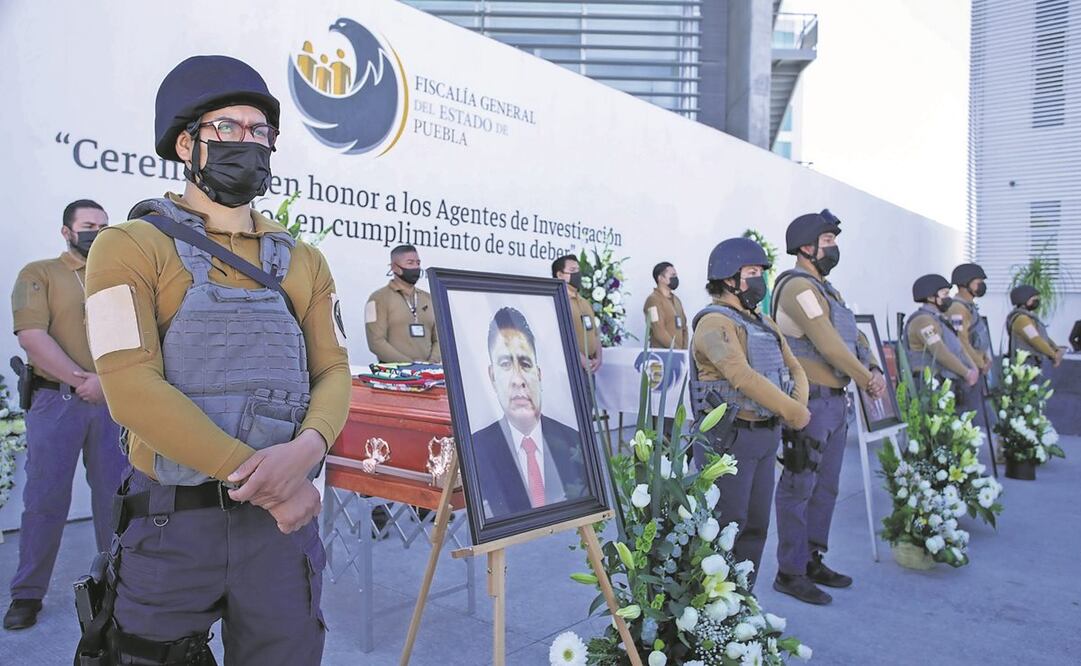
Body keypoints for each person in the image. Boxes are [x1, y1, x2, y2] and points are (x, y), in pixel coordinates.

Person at [80, 55, 351, 664]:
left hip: (279, 536)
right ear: (187, 143)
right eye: (229, 129)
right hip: (174, 523)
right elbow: (130, 387)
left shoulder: (303, 260)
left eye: (262, 133)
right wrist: (269, 483)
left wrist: (308, 451)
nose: (248, 143)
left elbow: (332, 371)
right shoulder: (128, 247)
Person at [3, 200, 128, 631]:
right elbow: (32, 337)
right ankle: (27, 595)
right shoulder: (38, 274)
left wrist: (106, 385)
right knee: (45, 501)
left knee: (116, 501)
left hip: (110, 405)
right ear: (66, 231)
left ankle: (115, 590)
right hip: (58, 402)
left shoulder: (116, 280)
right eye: (89, 225)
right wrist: (81, 381)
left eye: (105, 226)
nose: (98, 232)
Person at [771, 209, 886, 605]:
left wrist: (871, 364)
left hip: (835, 403)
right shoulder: (797, 288)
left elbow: (852, 337)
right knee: (799, 486)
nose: (834, 247)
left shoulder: (828, 290)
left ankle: (811, 558)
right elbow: (828, 343)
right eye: (828, 241)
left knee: (826, 487)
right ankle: (789, 571)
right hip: (810, 403)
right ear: (806, 247)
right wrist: (866, 377)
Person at [689, 238, 809, 582]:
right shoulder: (714, 323)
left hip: (765, 436)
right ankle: (714, 612)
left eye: (761, 273)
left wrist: (796, 407)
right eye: (753, 273)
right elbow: (741, 377)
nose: (761, 281)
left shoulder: (764, 322)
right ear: (729, 278)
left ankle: (743, 605)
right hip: (731, 439)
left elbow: (794, 366)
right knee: (725, 528)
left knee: (756, 527)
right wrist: (794, 412)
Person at [471, 307, 587, 519]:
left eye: (525, 364)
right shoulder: (476, 449)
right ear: (492, 376)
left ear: (539, 374)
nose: (518, 379)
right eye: (505, 364)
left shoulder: (573, 440)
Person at [364, 244, 441, 364]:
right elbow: (376, 342)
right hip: (394, 377)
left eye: (418, 263)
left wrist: (431, 363)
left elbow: (440, 339)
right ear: (395, 267)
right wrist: (410, 366)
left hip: (428, 376)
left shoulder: (429, 299)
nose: (416, 267)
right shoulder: (377, 299)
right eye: (410, 263)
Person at [903, 274, 980, 389]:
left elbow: (958, 345)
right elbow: (940, 352)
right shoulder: (924, 321)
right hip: (928, 384)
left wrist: (973, 368)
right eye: (944, 294)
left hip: (943, 381)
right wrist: (966, 372)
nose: (948, 298)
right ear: (930, 298)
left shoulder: (940, 318)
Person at [947, 263, 994, 419]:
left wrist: (985, 359)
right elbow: (961, 342)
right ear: (964, 283)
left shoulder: (969, 307)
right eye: (978, 281)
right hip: (967, 369)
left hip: (975, 366)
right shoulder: (957, 309)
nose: (981, 285)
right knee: (965, 417)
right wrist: (980, 364)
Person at [552, 255, 602, 373]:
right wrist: (580, 359)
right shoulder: (558, 302)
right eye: (572, 271)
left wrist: (598, 358)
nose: (577, 275)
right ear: (559, 275)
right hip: (571, 367)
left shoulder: (585, 302)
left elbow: (595, 333)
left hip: (590, 366)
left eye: (578, 271)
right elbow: (559, 338)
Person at [1006, 285, 1064, 369]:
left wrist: (1056, 348)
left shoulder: (1029, 317)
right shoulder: (1022, 320)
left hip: (1032, 363)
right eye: (1034, 298)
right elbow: (1036, 339)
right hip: (1025, 365)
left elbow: (1042, 337)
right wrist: (1053, 355)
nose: (1037, 301)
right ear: (1026, 300)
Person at [643, 262, 688, 349]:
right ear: (660, 278)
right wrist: (675, 350)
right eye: (672, 275)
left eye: (676, 275)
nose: (675, 278)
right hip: (661, 356)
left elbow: (684, 327)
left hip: (678, 356)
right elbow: (658, 331)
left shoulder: (677, 300)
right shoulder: (653, 301)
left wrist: (684, 351)